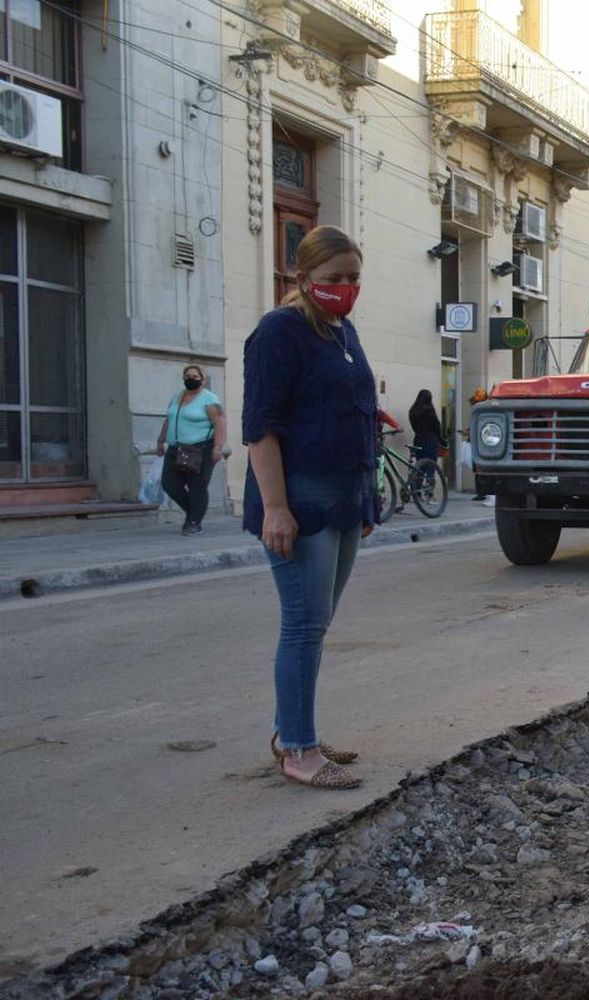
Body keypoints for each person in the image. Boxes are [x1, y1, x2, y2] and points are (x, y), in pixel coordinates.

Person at [242, 224, 374, 790]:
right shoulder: (279, 332)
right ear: (302, 278)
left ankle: (293, 732)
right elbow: (259, 429)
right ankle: (298, 750)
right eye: (333, 278)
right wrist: (276, 509)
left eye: (353, 278)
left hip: (344, 500)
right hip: (300, 500)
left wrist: (365, 500)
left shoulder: (344, 333)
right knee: (302, 625)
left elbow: (358, 413)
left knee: (317, 625)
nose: (345, 287)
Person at [156, 364, 228, 534]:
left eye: (195, 377)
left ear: (202, 380)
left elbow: (220, 423)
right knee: (170, 483)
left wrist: (218, 447)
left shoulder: (209, 399)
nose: (190, 379)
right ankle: (194, 511)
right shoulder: (177, 397)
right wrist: (161, 440)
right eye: (187, 376)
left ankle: (194, 521)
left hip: (198, 447)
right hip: (176, 447)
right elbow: (169, 419)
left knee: (197, 486)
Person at [408, 389, 445, 490]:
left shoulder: (413, 410)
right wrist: (442, 440)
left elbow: (414, 427)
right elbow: (436, 426)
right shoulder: (429, 410)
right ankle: (429, 493)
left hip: (418, 439)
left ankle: (417, 492)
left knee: (420, 468)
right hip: (430, 441)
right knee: (430, 467)